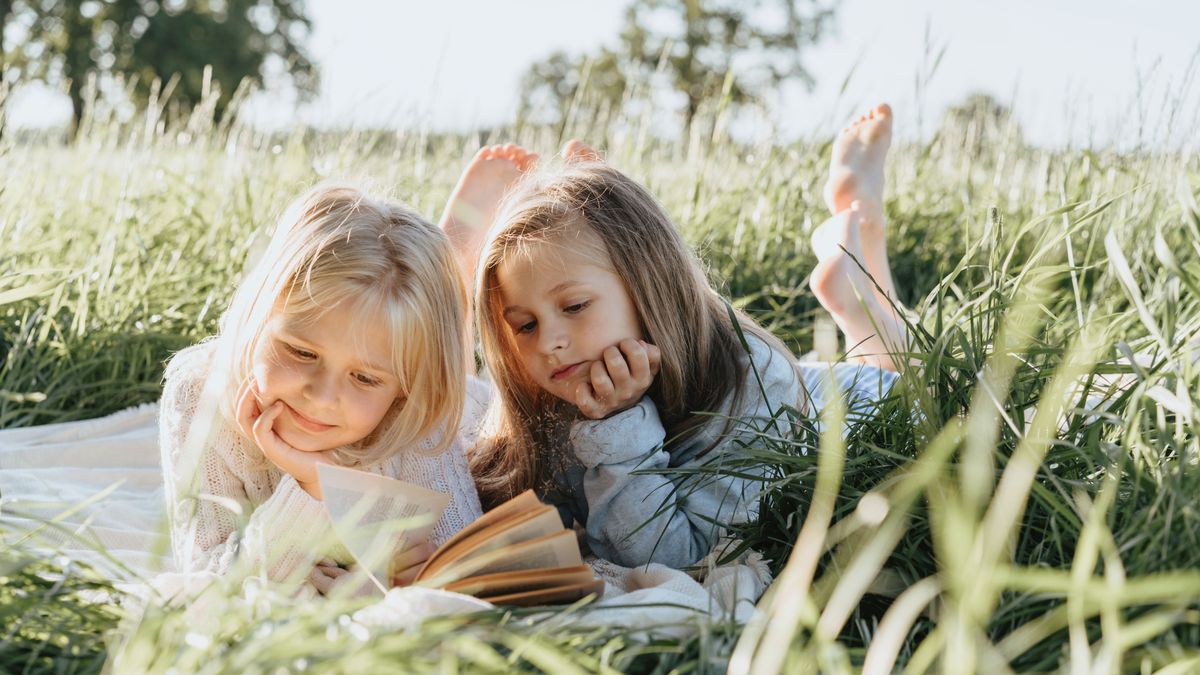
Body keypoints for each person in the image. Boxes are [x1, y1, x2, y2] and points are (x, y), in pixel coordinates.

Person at [465, 105, 908, 569]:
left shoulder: (751, 382)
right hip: (810, 381)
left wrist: (618, 423)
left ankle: (864, 262)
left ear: (649, 285)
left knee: (904, 372)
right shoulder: (555, 385)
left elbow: (671, 556)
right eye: (525, 325)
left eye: (574, 307)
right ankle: (858, 262)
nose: (549, 341)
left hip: (850, 406)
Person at [157, 169, 537, 593]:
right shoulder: (199, 391)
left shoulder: (416, 411)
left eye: (363, 377)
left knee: (471, 397)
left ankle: (457, 282)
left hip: (468, 412)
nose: (321, 397)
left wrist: (384, 574)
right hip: (406, 359)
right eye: (301, 352)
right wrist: (309, 492)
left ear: (403, 390)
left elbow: (456, 555)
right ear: (258, 317)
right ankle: (452, 273)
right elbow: (204, 570)